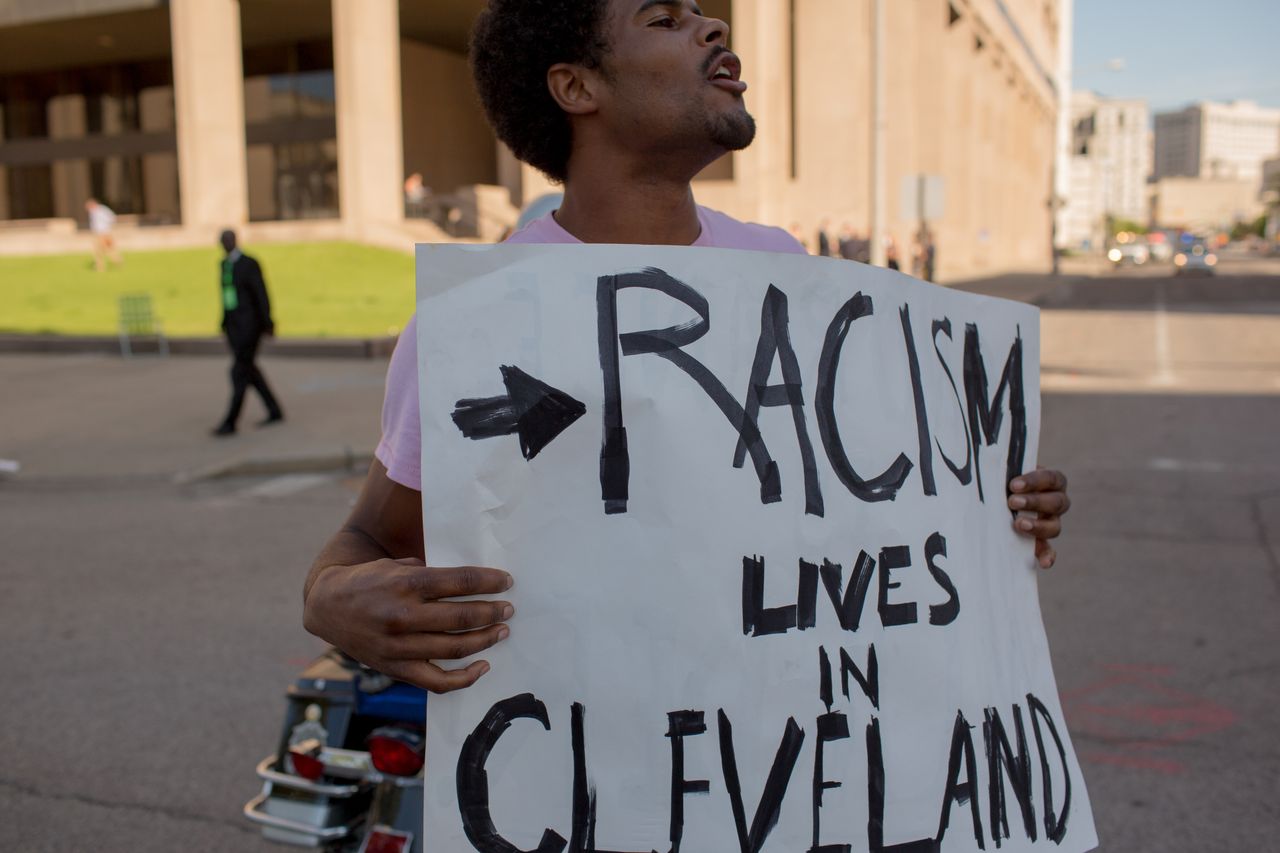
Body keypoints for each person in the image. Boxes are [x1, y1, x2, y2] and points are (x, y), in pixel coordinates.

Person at [302, 0, 1072, 694]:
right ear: (576, 89)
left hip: (776, 764)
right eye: (665, 19)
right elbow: (373, 535)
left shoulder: (784, 271)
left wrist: (990, 506)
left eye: (703, 12)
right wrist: (328, 597)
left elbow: (873, 490)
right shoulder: (476, 322)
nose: (714, 27)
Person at [213, 229, 284, 436]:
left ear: (235, 241)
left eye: (227, 240)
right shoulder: (224, 265)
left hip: (250, 327)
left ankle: (230, 421)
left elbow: (261, 293)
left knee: (239, 372)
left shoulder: (249, 263)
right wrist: (223, 322)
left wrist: (268, 322)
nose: (225, 244)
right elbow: (226, 297)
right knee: (250, 371)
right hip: (234, 328)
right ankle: (275, 410)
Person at [85, 198, 122, 272]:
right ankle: (101, 266)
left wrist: (107, 226)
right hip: (98, 233)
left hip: (104, 232)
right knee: (100, 250)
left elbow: (112, 218)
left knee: (106, 249)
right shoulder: (93, 212)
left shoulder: (102, 210)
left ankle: (116, 261)